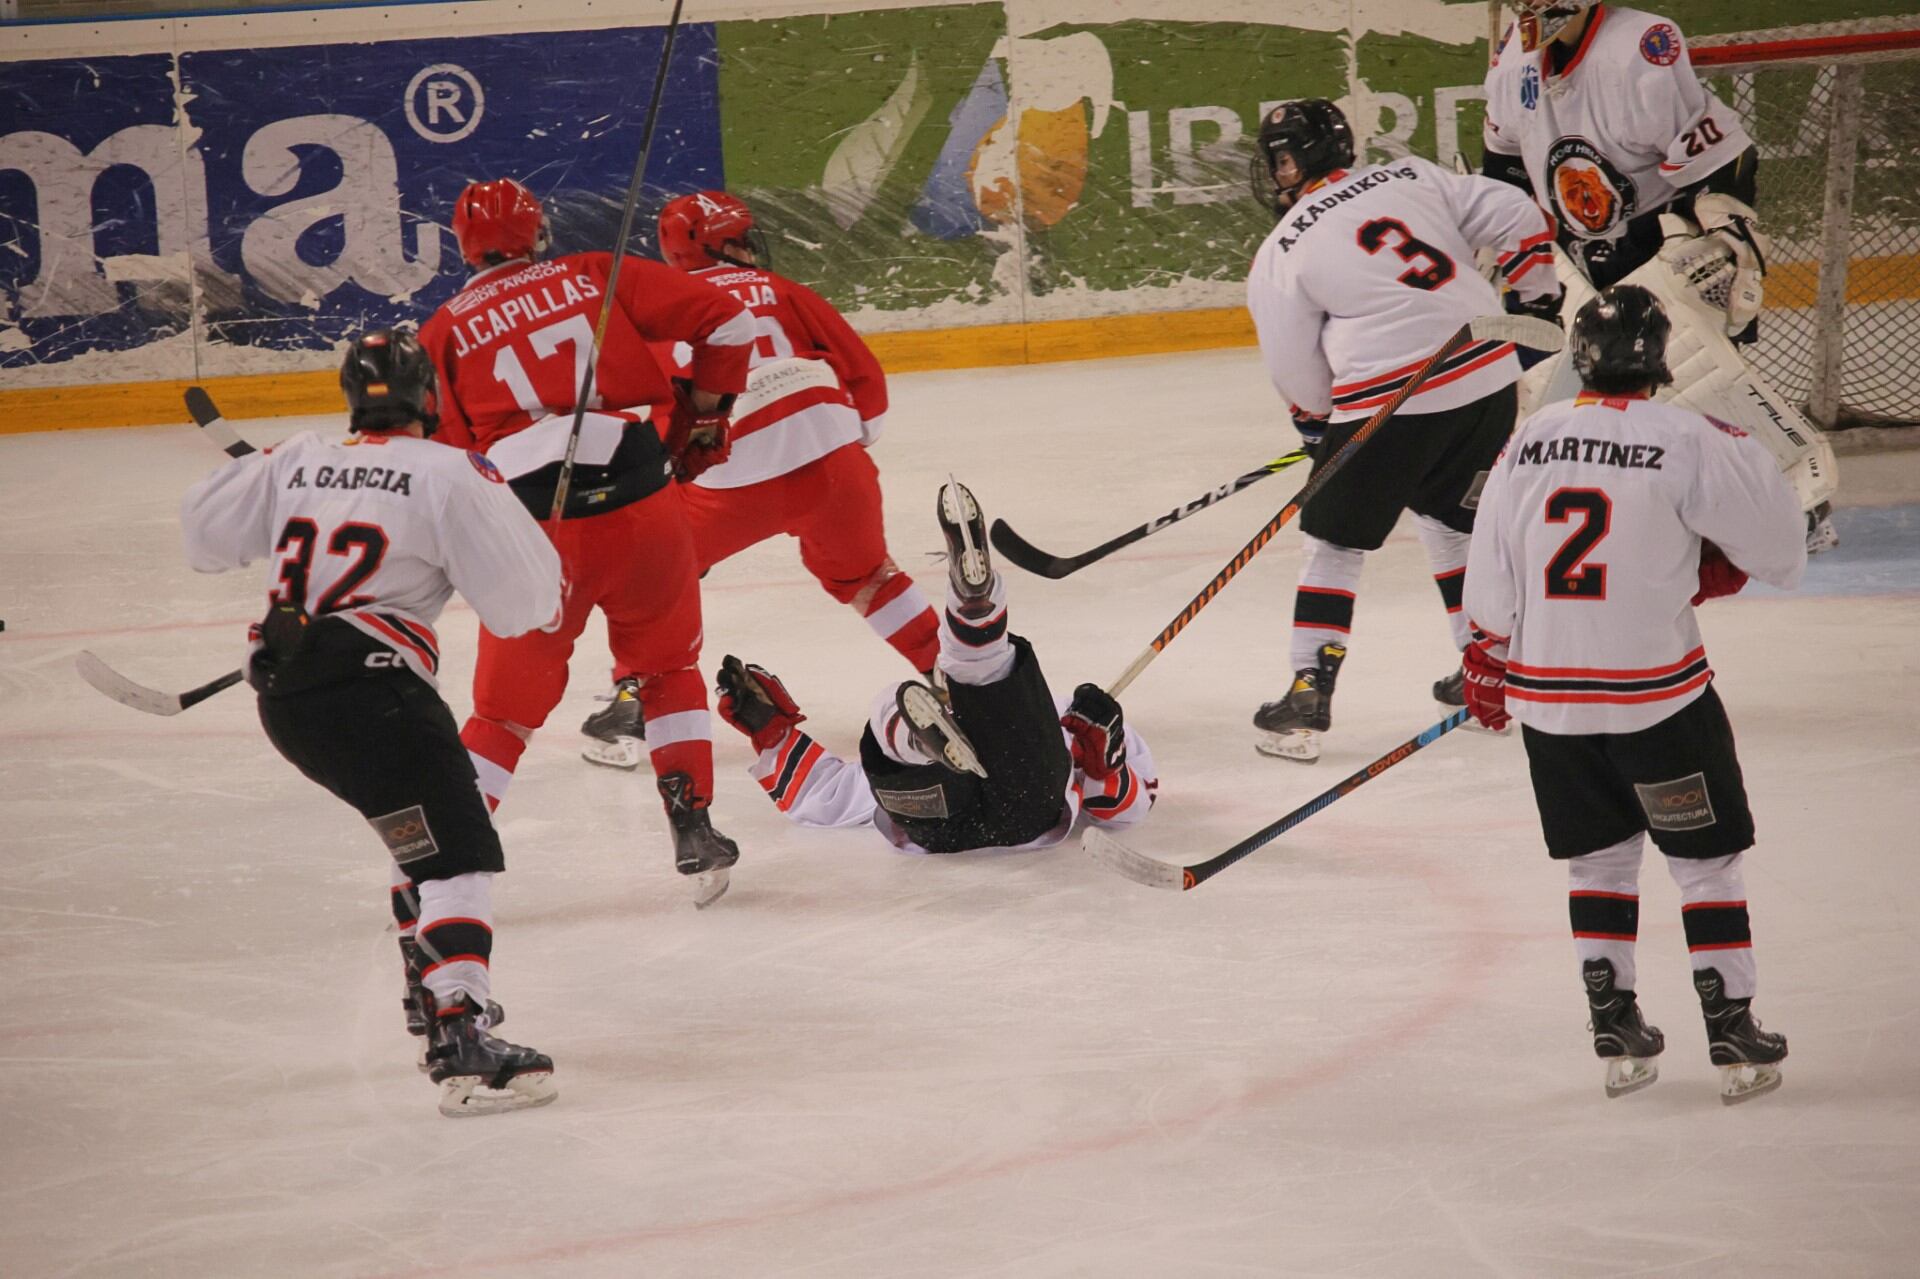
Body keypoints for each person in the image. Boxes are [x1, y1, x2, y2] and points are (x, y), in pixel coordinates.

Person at [179, 329, 564, 1117]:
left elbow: (203, 534)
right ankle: (459, 1034)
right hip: (375, 690)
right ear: (429, 396)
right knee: (457, 850)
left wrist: (291, 474)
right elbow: (526, 606)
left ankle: (430, 999)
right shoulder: (452, 471)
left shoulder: (298, 457)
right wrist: (532, 546)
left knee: (416, 834)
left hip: (290, 699)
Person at [1459, 285, 1806, 1104]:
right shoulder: (1690, 436)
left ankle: (1612, 1018)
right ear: (1657, 360)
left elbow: (1492, 570)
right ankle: (1730, 1025)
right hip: (1658, 701)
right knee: (1705, 862)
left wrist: (1488, 650)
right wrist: (1707, 563)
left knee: (1599, 858)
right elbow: (1783, 545)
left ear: (1581, 359)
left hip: (1550, 701)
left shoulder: (1529, 437)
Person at [416, 177, 759, 907]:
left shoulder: (442, 330)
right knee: (667, 669)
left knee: (503, 713)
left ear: (462, 248)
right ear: (540, 233)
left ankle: (444, 869)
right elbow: (727, 323)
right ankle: (693, 826)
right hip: (642, 500)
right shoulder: (593, 275)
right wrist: (703, 415)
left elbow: (443, 466)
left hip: (535, 528)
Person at [1244, 97, 1564, 763]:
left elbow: (1294, 368)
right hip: (1485, 384)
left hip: (1388, 406)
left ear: (1297, 161)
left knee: (1333, 540)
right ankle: (1485, 669)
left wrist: (1317, 426)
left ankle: (1309, 688)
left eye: (1280, 159)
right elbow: (1522, 215)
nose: (1276, 172)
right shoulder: (1413, 176)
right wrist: (1536, 297)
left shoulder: (1283, 248)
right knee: (1453, 518)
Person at [579, 189, 940, 767]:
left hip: (732, 475)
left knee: (652, 579)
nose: (749, 247)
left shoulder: (666, 311)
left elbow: (654, 416)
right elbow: (864, 378)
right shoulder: (785, 291)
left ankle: (634, 701)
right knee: (870, 576)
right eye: (739, 240)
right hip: (833, 460)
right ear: (714, 245)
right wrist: (845, 446)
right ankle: (954, 676)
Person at [1481, 2, 1839, 551]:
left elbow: (1725, 157)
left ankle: (1799, 505)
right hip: (1572, 252)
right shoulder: (1514, 58)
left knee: (1695, 378)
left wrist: (1722, 239)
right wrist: (1503, 236)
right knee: (1549, 388)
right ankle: (1600, 514)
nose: (1525, 8)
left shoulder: (1641, 45)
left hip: (1655, 241)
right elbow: (1503, 159)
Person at [713, 480, 1157, 855]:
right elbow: (1135, 807)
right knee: (972, 675)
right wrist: (1107, 769)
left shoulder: (1068, 715)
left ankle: (920, 732)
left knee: (894, 702)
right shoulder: (1066, 719)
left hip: (931, 820)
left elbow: (819, 798)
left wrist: (770, 735)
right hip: (1026, 810)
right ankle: (973, 607)